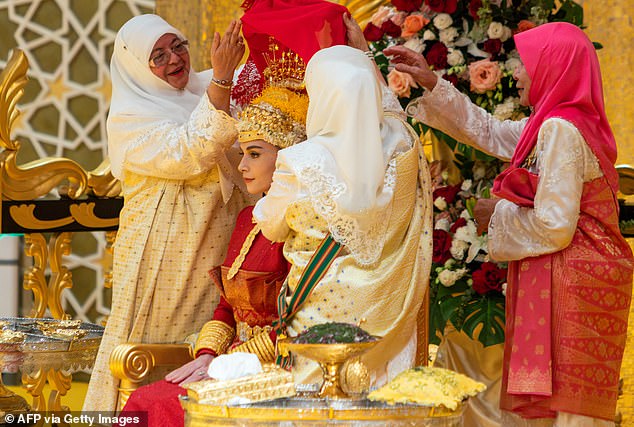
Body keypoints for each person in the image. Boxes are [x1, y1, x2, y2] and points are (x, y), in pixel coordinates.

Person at [384, 22, 633, 426]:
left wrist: (493, 213)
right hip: (587, 275)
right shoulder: (566, 123)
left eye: (526, 64)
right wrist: (434, 83)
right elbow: (491, 131)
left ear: (555, 67)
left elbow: (554, 225)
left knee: (569, 414)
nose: (517, 73)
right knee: (573, 410)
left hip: (572, 278)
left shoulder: (559, 130)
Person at [84, 14, 251, 413]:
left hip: (219, 243)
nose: (174, 59)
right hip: (162, 258)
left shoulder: (203, 87)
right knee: (152, 348)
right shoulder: (129, 117)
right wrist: (224, 81)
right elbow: (191, 150)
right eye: (157, 56)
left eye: (177, 46)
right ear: (137, 68)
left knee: (210, 340)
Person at [116, 85, 309, 427]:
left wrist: (224, 364)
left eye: (255, 154)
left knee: (159, 405)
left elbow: (302, 322)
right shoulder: (247, 219)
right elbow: (226, 308)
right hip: (230, 362)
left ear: (287, 157)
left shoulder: (303, 224)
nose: (243, 165)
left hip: (279, 369)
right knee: (145, 401)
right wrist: (206, 356)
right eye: (242, 153)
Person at [253, 44, 434, 386]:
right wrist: (367, 59)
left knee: (322, 405)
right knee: (384, 403)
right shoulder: (404, 144)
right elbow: (391, 111)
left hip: (323, 318)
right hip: (390, 314)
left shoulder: (300, 161)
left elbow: (271, 226)